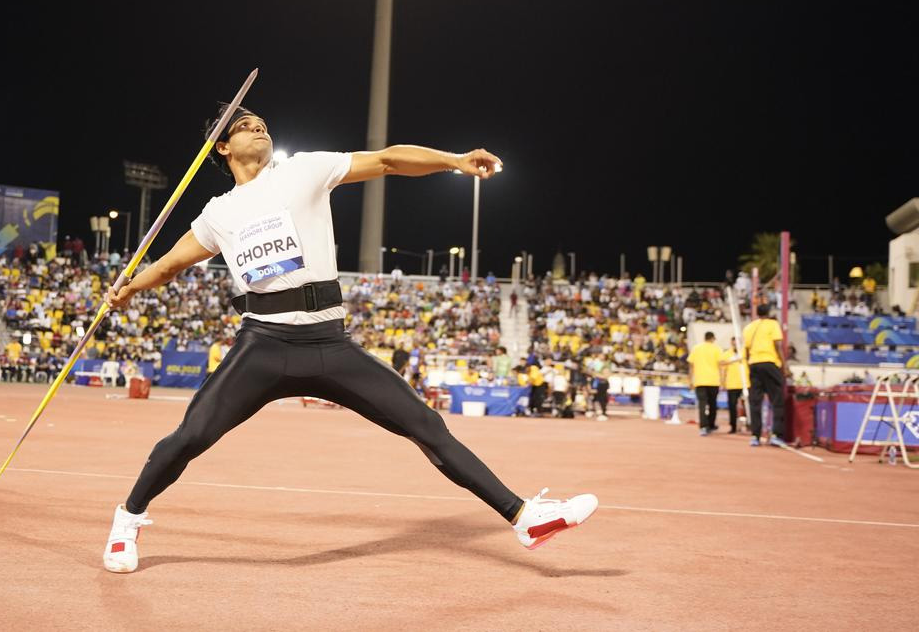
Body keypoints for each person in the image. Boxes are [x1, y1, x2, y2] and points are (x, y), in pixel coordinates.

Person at [98, 104, 597, 573]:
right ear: (222, 147)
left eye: (262, 123)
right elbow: (166, 266)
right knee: (190, 437)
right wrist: (124, 291)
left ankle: (524, 517)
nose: (260, 128)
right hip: (264, 346)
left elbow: (385, 161)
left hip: (330, 346)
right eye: (247, 124)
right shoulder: (217, 214)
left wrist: (454, 162)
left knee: (426, 426)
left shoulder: (301, 171)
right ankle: (127, 519)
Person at [743, 304, 787, 447]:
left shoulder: (749, 327)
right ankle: (776, 434)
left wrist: (750, 365)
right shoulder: (773, 324)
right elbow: (777, 345)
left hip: (754, 365)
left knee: (755, 402)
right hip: (769, 363)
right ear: (768, 312)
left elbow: (747, 350)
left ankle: (755, 436)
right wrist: (784, 365)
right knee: (777, 400)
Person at [687, 332, 723, 435]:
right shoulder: (717, 349)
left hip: (700, 381)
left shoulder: (696, 348)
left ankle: (703, 427)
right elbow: (720, 364)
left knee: (702, 404)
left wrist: (690, 380)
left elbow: (691, 366)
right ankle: (711, 425)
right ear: (712, 338)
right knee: (713, 404)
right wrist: (722, 380)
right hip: (713, 381)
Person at [721, 337, 748, 434]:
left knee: (747, 406)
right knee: (732, 406)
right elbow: (722, 364)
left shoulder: (745, 352)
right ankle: (733, 426)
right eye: (733, 343)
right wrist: (723, 382)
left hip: (745, 383)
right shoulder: (727, 353)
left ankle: (749, 425)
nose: (735, 345)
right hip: (732, 384)